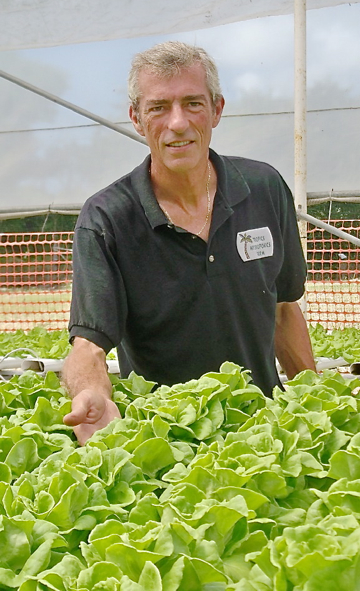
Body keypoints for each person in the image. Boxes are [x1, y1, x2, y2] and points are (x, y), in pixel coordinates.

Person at [63, 41, 316, 444]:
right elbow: (88, 345)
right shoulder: (108, 219)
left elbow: (285, 310)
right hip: (165, 444)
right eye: (158, 107)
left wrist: (314, 402)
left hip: (266, 437)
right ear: (137, 118)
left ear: (217, 109)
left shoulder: (264, 189)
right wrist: (90, 391)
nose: (177, 123)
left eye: (193, 103)